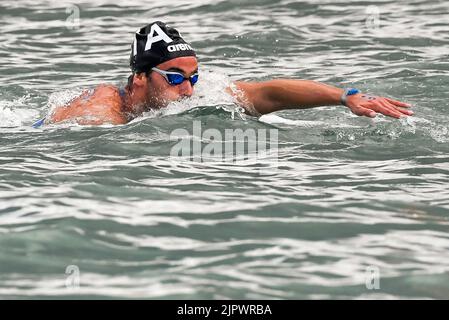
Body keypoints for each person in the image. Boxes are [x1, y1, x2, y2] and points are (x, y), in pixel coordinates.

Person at [33, 21, 413, 128]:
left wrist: (344, 97)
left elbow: (268, 94)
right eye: (176, 78)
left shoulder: (198, 90)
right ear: (139, 79)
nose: (189, 88)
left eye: (193, 76)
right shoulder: (102, 109)